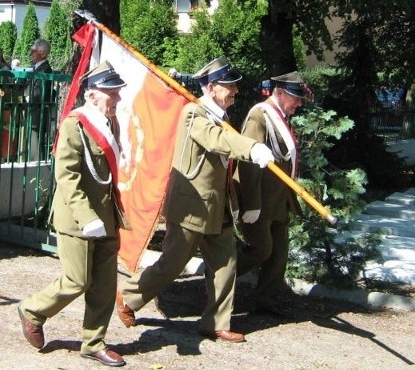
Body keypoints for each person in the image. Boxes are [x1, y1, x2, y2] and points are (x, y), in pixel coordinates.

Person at [115, 56, 275, 343]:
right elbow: (215, 140)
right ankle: (128, 296)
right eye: (229, 86)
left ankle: (215, 322)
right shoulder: (195, 114)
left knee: (226, 264)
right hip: (192, 205)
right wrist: (252, 148)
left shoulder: (220, 116)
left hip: (218, 205)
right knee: (172, 264)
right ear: (211, 87)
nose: (235, 91)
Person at [17, 61, 130, 367]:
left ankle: (94, 342)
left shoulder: (112, 123)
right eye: (111, 93)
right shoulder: (74, 125)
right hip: (77, 219)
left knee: (105, 284)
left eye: (118, 92)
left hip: (106, 215)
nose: (117, 99)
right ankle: (33, 311)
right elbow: (66, 176)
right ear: (92, 95)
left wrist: (104, 215)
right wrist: (87, 217)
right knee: (77, 280)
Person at [233, 71, 308, 315]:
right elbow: (248, 160)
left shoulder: (281, 116)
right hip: (260, 199)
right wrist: (251, 203)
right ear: (279, 93)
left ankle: (265, 299)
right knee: (261, 249)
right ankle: (219, 276)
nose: (299, 103)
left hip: (279, 199)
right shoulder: (260, 115)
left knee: (279, 254)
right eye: (295, 98)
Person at [27, 38, 53, 161]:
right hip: (34, 113)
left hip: (38, 115)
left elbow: (40, 93)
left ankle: (37, 175)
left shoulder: (45, 70)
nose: (30, 53)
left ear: (42, 54)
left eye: (33, 50)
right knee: (32, 144)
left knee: (36, 147)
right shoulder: (37, 68)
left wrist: (27, 98)